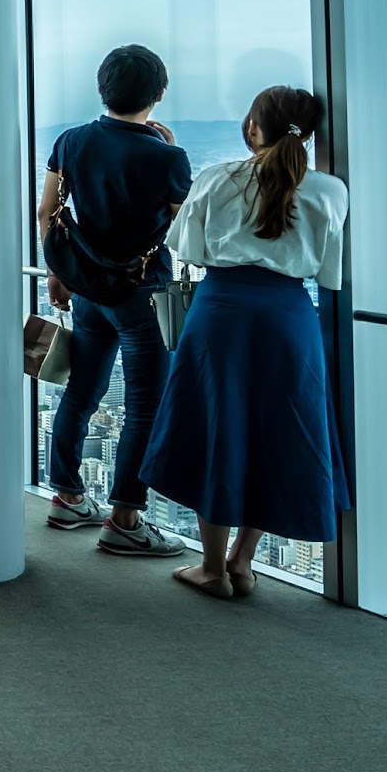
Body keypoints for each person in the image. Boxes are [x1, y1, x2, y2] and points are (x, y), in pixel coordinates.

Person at [143, 86, 349, 601]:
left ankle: (211, 567)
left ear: (253, 128)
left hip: (220, 316)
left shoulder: (217, 178)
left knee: (217, 427)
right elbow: (329, 273)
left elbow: (187, 248)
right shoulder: (330, 191)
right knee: (277, 432)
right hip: (288, 320)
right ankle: (243, 561)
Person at [36, 44, 192, 556]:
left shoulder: (72, 141)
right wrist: (167, 152)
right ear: (159, 95)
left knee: (80, 390)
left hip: (85, 289)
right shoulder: (165, 155)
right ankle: (125, 518)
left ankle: (67, 496)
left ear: (102, 88)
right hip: (142, 293)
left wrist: (61, 272)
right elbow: (184, 228)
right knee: (144, 405)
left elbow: (48, 212)